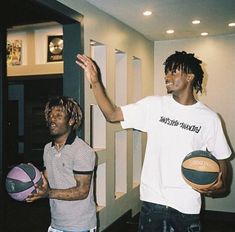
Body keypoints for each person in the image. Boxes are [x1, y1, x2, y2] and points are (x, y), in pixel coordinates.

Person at [76, 51, 231, 232]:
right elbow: (112, 114)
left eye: (174, 72)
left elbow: (223, 158)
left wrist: (222, 185)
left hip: (187, 204)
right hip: (153, 201)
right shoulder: (154, 105)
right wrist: (95, 82)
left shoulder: (209, 118)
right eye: (167, 72)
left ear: (190, 76)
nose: (167, 76)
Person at [26, 96, 97, 232]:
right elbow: (48, 177)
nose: (52, 119)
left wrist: (48, 193)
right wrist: (32, 177)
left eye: (58, 115)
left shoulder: (82, 151)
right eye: (50, 115)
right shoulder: (48, 148)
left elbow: (82, 191)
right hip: (56, 223)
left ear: (71, 121)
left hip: (80, 226)